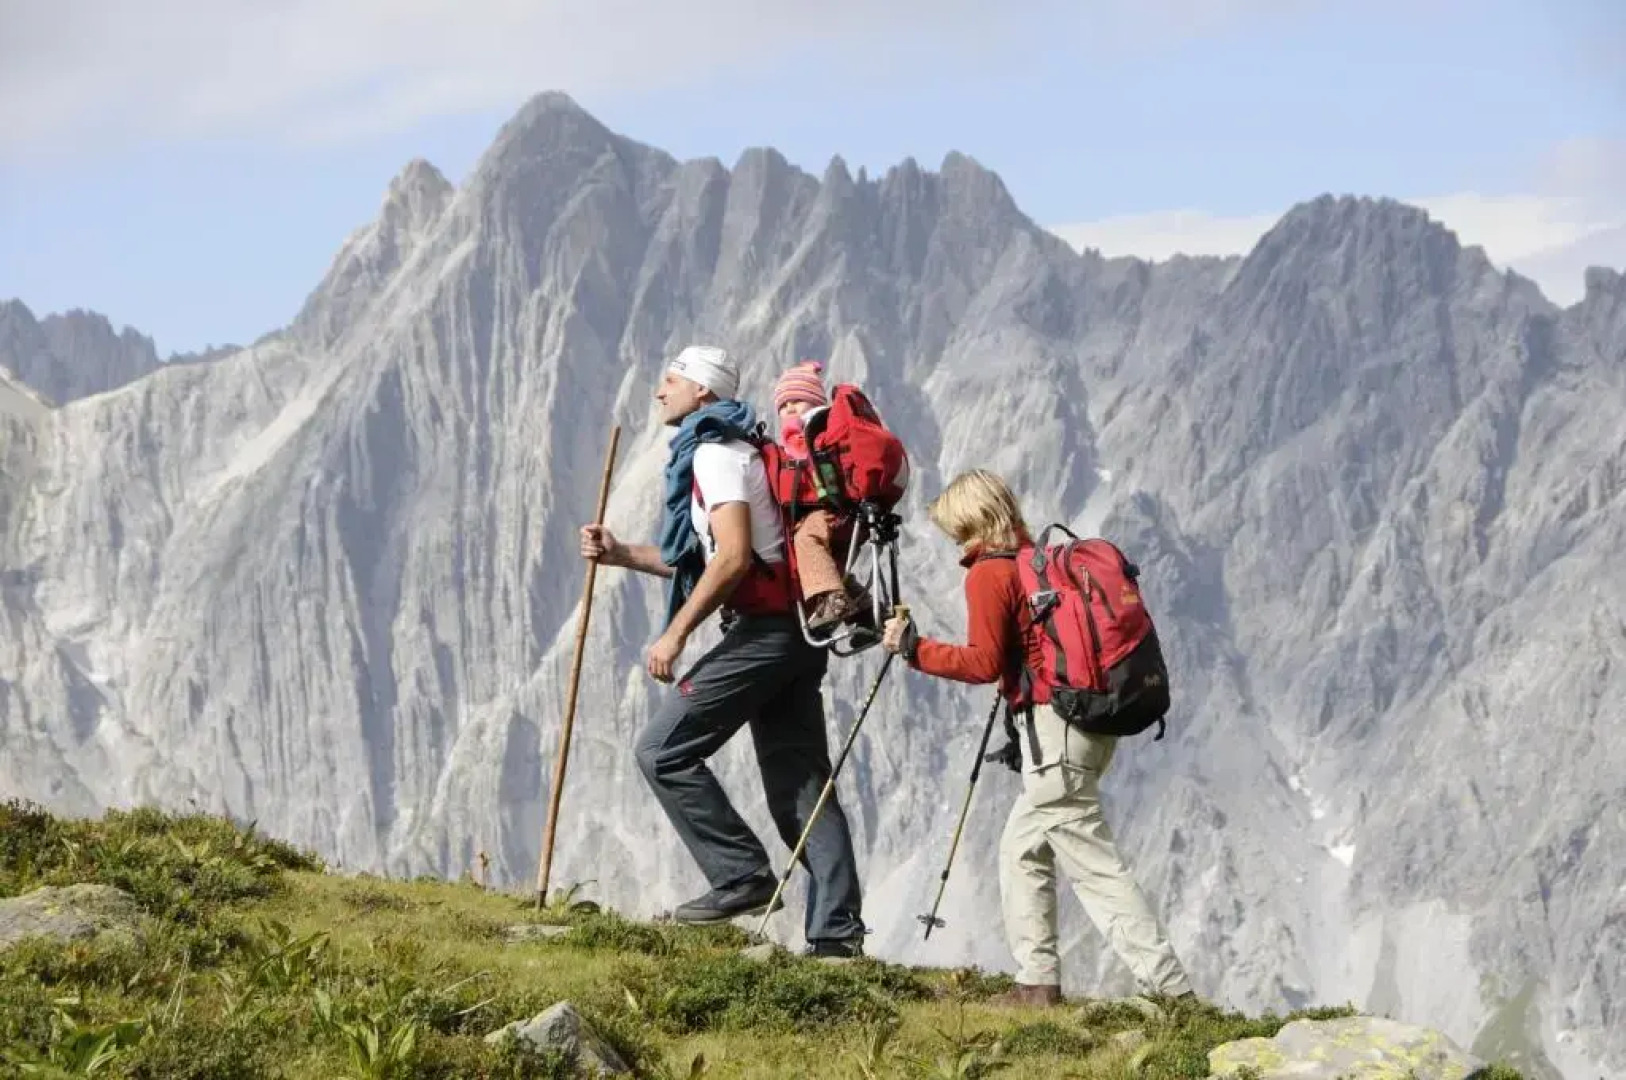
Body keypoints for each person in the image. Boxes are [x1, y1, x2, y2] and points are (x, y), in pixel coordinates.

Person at [578, 344, 867, 956]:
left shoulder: (713, 454)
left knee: (661, 750)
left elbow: (733, 558)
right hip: (795, 634)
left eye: (672, 380)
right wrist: (623, 553)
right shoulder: (739, 450)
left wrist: (676, 633)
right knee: (802, 788)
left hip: (765, 635)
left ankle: (741, 876)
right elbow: (711, 556)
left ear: (703, 392)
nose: (661, 391)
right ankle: (837, 939)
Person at [879, 468, 1194, 1006]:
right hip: (1088, 726)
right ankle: (1037, 984)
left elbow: (982, 663)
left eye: (955, 530)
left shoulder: (988, 574)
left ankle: (1171, 991)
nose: (954, 541)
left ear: (970, 522)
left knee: (1093, 864)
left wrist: (914, 649)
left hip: (1057, 732)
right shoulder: (1034, 566)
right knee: (1021, 848)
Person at [772, 360, 868, 631]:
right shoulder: (804, 435)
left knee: (806, 540)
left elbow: (809, 462)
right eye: (783, 404)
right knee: (826, 563)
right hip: (842, 514)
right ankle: (868, 613)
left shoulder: (814, 433)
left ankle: (833, 601)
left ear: (815, 403)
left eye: (798, 401)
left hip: (833, 512)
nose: (789, 408)